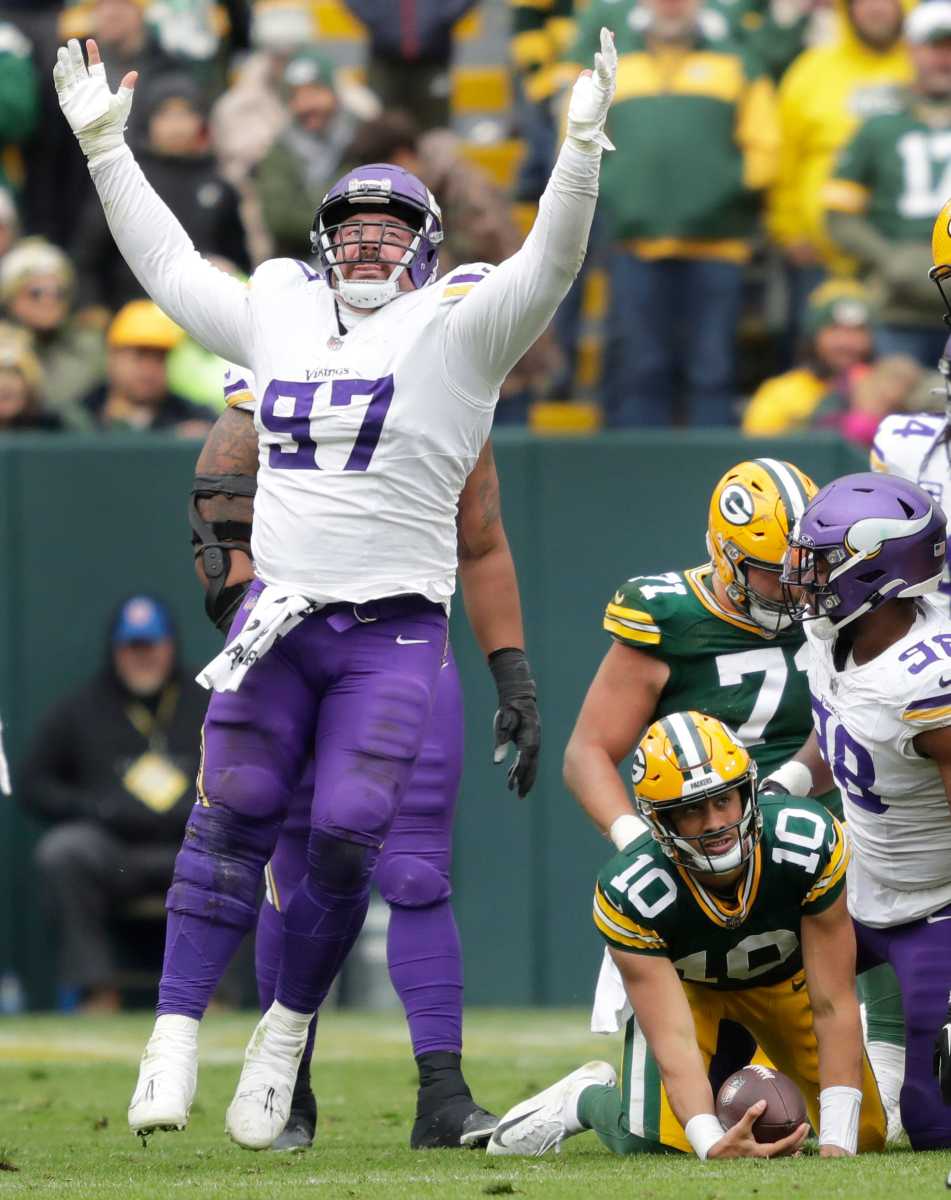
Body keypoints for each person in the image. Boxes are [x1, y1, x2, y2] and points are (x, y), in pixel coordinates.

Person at [53, 28, 616, 1148]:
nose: (369, 246)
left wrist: (583, 148)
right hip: (281, 621)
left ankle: (294, 1041)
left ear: (426, 246)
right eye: (352, 229)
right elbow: (168, 273)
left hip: (395, 626)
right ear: (320, 243)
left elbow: (550, 263)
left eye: (390, 229)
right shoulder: (279, 308)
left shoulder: (459, 326)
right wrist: (108, 150)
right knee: (232, 826)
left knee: (362, 839)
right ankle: (176, 1040)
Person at [188, 372, 540, 1149]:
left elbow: (479, 538)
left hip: (405, 646)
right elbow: (217, 508)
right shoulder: (293, 351)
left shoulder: (445, 373)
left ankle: (442, 1095)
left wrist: (511, 669)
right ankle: (289, 1089)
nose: (373, 252)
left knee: (415, 871)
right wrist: (247, 613)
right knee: (293, 867)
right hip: (293, 650)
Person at [487, 712, 885, 1159]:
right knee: (654, 1144)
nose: (713, 823)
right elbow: (673, 1038)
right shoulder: (633, 892)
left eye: (723, 800)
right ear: (660, 821)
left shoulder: (803, 842)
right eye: (691, 809)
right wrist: (709, 1144)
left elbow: (833, 1002)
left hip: (783, 983)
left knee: (866, 1135)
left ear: (747, 792)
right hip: (689, 991)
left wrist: (837, 1142)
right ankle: (584, 1098)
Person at [778, 472, 951, 1150]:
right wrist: (789, 783)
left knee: (932, 1123)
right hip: (854, 889)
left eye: (818, 562)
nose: (803, 577)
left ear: (874, 570)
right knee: (734, 961)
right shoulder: (835, 633)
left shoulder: (926, 682)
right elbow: (842, 723)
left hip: (934, 908)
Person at [569, 0, 780, 427]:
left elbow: (767, 148)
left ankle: (717, 482)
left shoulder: (737, 64)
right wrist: (618, 192)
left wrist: (723, 192)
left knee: (713, 368)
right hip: (635, 244)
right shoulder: (613, 68)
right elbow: (577, 141)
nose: (671, 5)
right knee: (641, 368)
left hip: (719, 244)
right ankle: (639, 483)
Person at [17, 596, 208, 1013]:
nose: (143, 657)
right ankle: (95, 993)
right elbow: (33, 782)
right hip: (113, 851)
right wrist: (93, 807)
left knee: (241, 855)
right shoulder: (82, 706)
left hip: (189, 847)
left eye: (151, 646)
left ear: (170, 646)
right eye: (132, 647)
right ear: (115, 650)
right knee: (64, 851)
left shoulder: (205, 701)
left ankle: (217, 997)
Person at [766, 0, 911, 351]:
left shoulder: (924, 68)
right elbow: (785, 156)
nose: (876, 9)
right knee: (815, 367)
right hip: (821, 256)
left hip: (908, 259)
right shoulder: (812, 69)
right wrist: (788, 230)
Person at [824, 1, 951, 368]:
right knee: (895, 409)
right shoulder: (879, 125)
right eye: (934, 48)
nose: (943, 60)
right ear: (911, 50)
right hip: (896, 304)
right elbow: (838, 214)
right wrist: (890, 258)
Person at [73, 72, 249, 313]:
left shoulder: (219, 186)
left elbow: (238, 258)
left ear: (201, 121)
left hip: (204, 317)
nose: (176, 126)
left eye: (185, 114)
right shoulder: (125, 177)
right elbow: (89, 253)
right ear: (148, 121)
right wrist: (91, 306)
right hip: (133, 315)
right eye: (165, 114)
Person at [254, 48, 356, 259]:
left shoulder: (362, 139)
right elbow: (279, 218)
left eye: (315, 92)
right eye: (297, 95)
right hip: (300, 259)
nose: (307, 104)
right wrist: (345, 226)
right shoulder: (280, 150)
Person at [742, 280, 876, 436]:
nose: (845, 342)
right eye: (834, 330)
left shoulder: (890, 393)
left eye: (857, 331)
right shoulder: (781, 393)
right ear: (813, 337)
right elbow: (755, 453)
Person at [0, 236, 105, 429]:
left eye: (59, 292)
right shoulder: (5, 350)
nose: (49, 300)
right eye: (36, 293)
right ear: (10, 299)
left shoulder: (89, 347)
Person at [79, 299, 213, 435]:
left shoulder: (193, 416)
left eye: (160, 358)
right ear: (113, 356)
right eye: (140, 355)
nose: (149, 368)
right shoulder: (78, 414)